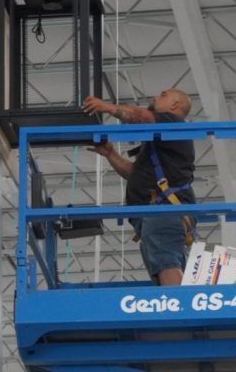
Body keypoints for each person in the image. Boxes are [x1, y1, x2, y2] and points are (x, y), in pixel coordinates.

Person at [83, 88, 196, 286]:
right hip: (162, 213)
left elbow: (142, 116)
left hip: (163, 212)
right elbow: (135, 174)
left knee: (165, 263)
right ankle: (178, 306)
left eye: (162, 95)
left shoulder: (172, 123)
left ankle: (177, 309)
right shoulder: (163, 141)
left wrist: (108, 107)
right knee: (165, 263)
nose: (155, 96)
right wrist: (111, 155)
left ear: (174, 105)